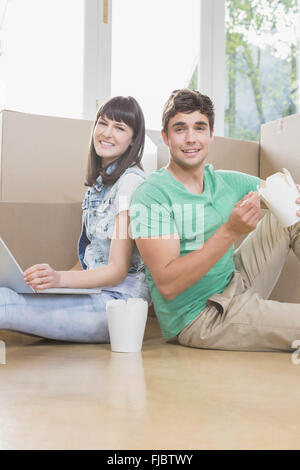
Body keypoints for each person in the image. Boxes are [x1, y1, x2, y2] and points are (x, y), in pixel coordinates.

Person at [129, 88, 300, 352]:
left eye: (199, 128)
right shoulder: (152, 195)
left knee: (289, 207)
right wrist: (230, 231)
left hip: (235, 281)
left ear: (211, 135)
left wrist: (293, 197)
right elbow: (168, 285)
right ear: (165, 137)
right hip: (201, 316)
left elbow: (285, 193)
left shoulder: (223, 181)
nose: (190, 138)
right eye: (180, 129)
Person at [0, 96, 150, 342]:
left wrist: (59, 279)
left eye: (120, 127)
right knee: (7, 293)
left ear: (133, 139)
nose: (107, 133)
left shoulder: (131, 184)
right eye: (103, 123)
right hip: (95, 294)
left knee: (4, 302)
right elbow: (88, 262)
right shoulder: (97, 189)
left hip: (119, 306)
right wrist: (50, 284)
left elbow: (117, 270)